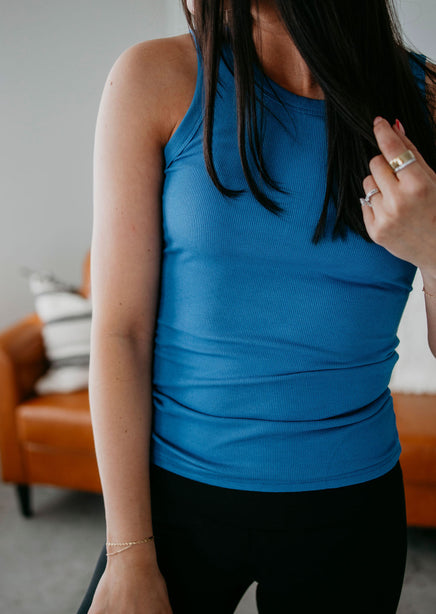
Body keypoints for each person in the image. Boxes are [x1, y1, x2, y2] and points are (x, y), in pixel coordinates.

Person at [77, 1, 436, 612]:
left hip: (352, 511)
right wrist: (128, 553)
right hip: (174, 503)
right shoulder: (155, 78)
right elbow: (121, 333)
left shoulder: (425, 100)